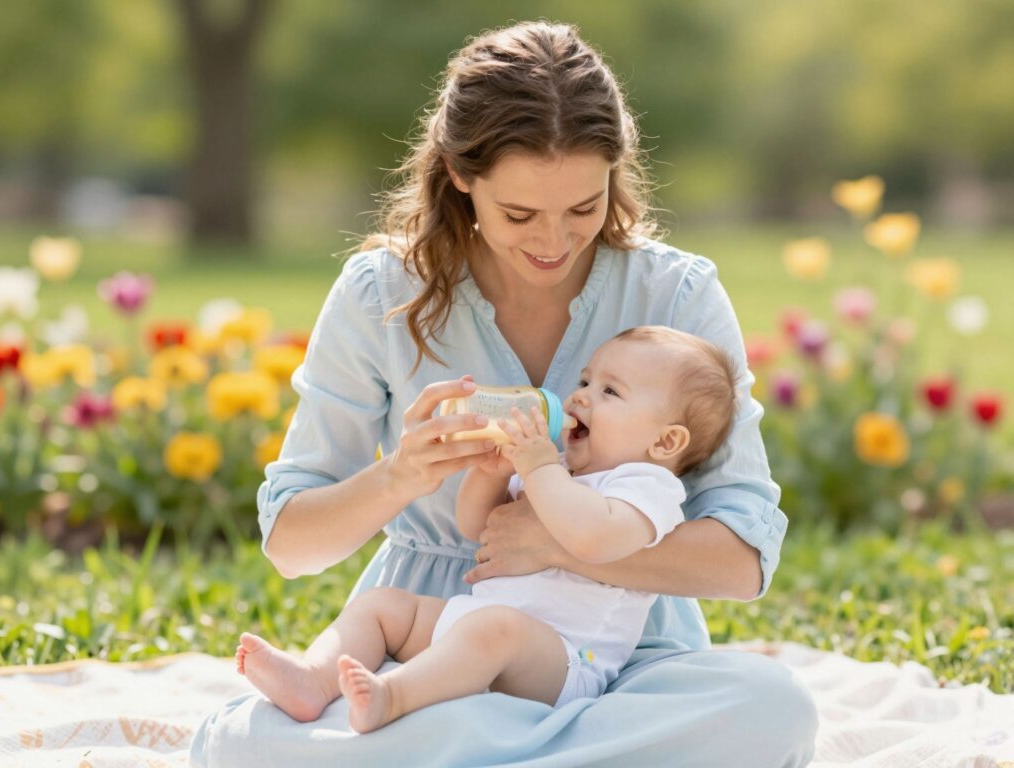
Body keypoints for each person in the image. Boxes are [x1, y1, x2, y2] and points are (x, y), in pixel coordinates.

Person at [192, 20, 817, 767]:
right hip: (435, 652)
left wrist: (563, 546)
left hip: (621, 661)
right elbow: (292, 545)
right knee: (243, 745)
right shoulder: (381, 292)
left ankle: (468, 752)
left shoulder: (674, 292)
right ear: (460, 174)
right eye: (520, 214)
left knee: (772, 708)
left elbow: (743, 560)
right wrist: (400, 476)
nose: (554, 241)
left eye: (584, 208)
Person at [235, 326, 735, 731]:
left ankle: (393, 697)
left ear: (666, 441)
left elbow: (594, 539)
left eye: (609, 391)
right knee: (385, 606)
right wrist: (490, 474)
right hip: (479, 626)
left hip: (564, 661)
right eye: (584, 382)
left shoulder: (646, 486)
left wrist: (539, 468)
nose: (581, 398)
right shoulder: (559, 466)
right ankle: (312, 679)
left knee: (495, 629)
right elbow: (480, 527)